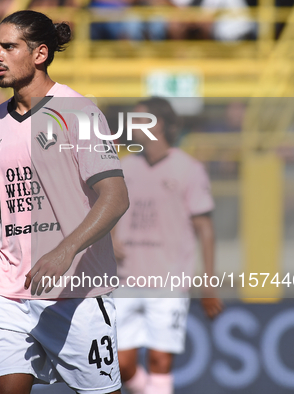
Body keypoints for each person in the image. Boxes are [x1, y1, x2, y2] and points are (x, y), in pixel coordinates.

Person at [0, 10, 129, 394]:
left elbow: (115, 198)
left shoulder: (79, 111)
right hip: (7, 294)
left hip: (75, 294)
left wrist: (65, 251)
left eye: (9, 46)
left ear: (40, 54)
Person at [111, 97, 223, 394]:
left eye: (137, 120)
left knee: (161, 361)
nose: (130, 126)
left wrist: (208, 281)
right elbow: (104, 214)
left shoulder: (189, 169)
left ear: (156, 125)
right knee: (120, 366)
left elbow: (205, 229)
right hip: (125, 279)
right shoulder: (123, 168)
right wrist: (110, 239)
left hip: (169, 281)